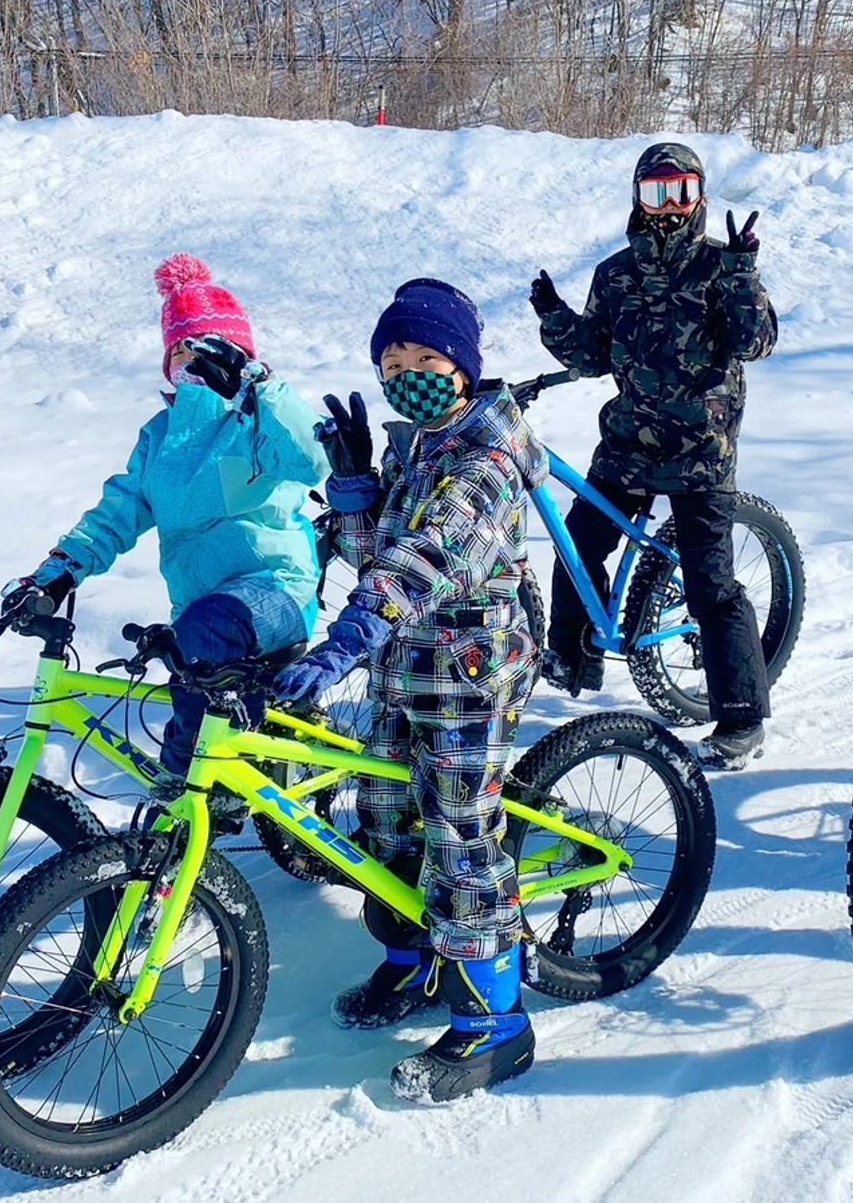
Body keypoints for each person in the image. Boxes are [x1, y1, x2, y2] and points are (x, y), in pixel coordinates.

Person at [271, 278, 548, 1103]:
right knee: (386, 810)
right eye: (394, 361)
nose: (409, 373)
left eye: (427, 358)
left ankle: (499, 1026)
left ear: (463, 365)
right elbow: (379, 550)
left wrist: (351, 634)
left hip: (471, 669)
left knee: (459, 831)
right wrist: (358, 492)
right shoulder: (418, 443)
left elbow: (428, 558)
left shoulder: (488, 461)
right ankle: (412, 958)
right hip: (405, 661)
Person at [3, 254, 329, 778]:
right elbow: (120, 510)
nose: (190, 360)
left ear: (235, 354)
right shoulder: (160, 436)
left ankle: (177, 798)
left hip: (275, 591)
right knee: (196, 656)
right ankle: (204, 786)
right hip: (201, 613)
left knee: (196, 665)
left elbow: (314, 458)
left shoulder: (258, 420)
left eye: (204, 348)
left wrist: (257, 386)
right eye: (180, 349)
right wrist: (57, 572)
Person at [528, 141, 780, 770]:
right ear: (637, 198)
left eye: (681, 194)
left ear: (699, 199)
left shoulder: (723, 267)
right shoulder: (614, 274)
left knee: (710, 583)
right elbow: (592, 356)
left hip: (701, 452)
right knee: (577, 541)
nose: (667, 209)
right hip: (627, 443)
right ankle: (571, 651)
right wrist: (554, 316)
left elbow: (756, 343)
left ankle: (742, 716)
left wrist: (743, 275)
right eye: (655, 194)